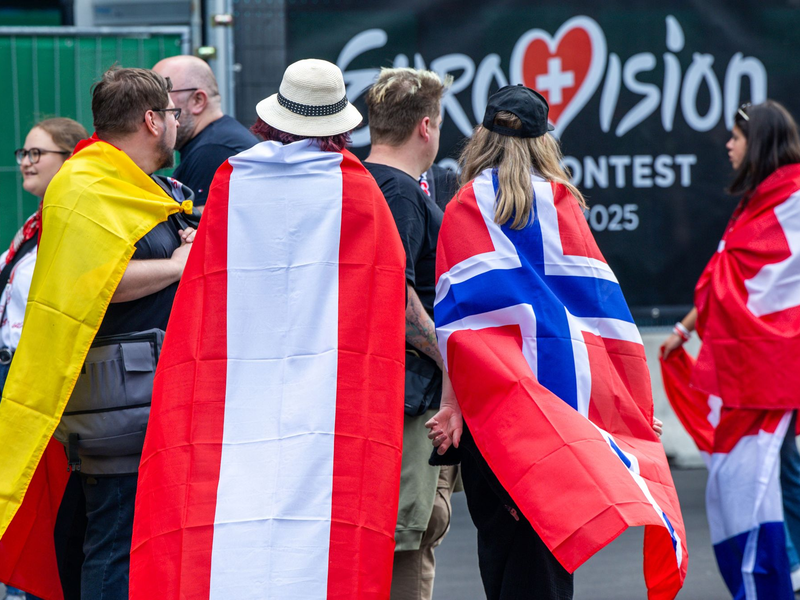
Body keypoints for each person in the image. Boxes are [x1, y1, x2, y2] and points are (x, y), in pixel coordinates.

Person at [128, 58, 407, 600]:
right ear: (338, 125)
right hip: (330, 389)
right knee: (322, 526)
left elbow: (204, 285)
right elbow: (385, 286)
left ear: (275, 117)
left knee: (231, 509)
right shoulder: (357, 189)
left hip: (237, 387)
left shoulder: (236, 179)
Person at [427, 85, 686, 600]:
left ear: (482, 136)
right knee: (545, 566)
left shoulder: (465, 207)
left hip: (496, 422)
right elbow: (603, 319)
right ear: (546, 142)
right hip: (563, 425)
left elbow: (457, 325)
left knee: (502, 565)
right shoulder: (564, 206)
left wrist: (452, 404)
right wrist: (631, 405)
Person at [0, 66, 196, 600]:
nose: (179, 126)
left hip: (139, 394)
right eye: (173, 115)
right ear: (153, 121)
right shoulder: (85, 185)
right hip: (116, 398)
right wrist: (178, 265)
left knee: (117, 536)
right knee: (114, 539)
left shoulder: (134, 186)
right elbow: (93, 285)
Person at [661, 100, 800, 596]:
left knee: (767, 471)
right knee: (761, 472)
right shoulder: (757, 202)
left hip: (774, 363)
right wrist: (683, 330)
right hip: (749, 363)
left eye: (736, 136)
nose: (728, 145)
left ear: (758, 142)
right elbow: (728, 271)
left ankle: (783, 570)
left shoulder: (793, 199)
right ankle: (781, 567)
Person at [362, 67, 460, 600]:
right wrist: (456, 359)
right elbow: (392, 298)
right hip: (408, 401)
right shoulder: (399, 191)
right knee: (409, 544)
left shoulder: (357, 178)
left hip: (386, 394)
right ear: (427, 127)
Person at [1, 118, 87, 600]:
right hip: (12, 370)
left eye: (39, 154)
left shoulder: (66, 221)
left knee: (38, 505)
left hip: (37, 377)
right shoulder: (33, 223)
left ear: (70, 160)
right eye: (24, 153)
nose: (27, 163)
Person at [152, 55, 258, 211]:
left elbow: (202, 231)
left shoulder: (213, 151)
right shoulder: (215, 142)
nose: (154, 106)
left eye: (161, 95)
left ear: (198, 100)